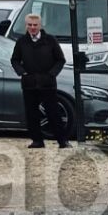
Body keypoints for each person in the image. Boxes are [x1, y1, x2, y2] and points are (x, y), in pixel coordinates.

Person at [10, 12, 71, 148]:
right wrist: (22, 72)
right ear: (26, 26)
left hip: (47, 83)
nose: (32, 27)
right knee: (32, 113)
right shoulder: (22, 41)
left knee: (53, 112)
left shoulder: (50, 40)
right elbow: (15, 60)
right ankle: (37, 140)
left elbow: (60, 60)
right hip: (29, 83)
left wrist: (52, 74)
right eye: (30, 25)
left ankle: (62, 141)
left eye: (35, 25)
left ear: (40, 25)